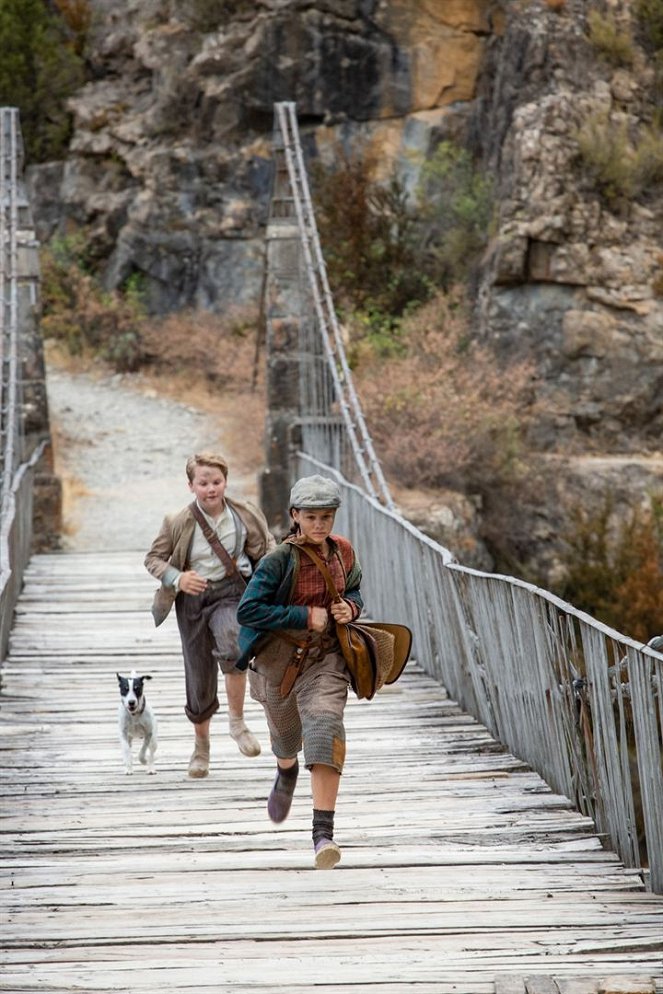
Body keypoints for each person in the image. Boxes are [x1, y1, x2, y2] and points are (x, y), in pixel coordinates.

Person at [236, 474, 362, 869]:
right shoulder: (278, 561)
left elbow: (355, 590)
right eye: (311, 517)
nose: (320, 525)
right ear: (295, 516)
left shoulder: (343, 552)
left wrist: (350, 609)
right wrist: (303, 615)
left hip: (327, 660)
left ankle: (322, 834)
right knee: (287, 737)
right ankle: (285, 770)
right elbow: (247, 610)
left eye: (327, 516)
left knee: (325, 728)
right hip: (279, 662)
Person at [145, 452, 275, 778]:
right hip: (192, 599)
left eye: (216, 482)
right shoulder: (176, 520)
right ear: (191, 486)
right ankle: (201, 747)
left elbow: (268, 548)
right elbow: (153, 559)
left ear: (225, 482)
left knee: (234, 646)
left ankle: (237, 722)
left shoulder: (245, 514)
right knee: (199, 674)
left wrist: (270, 582)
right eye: (203, 483)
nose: (211, 489)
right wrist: (178, 578)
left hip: (232, 593)